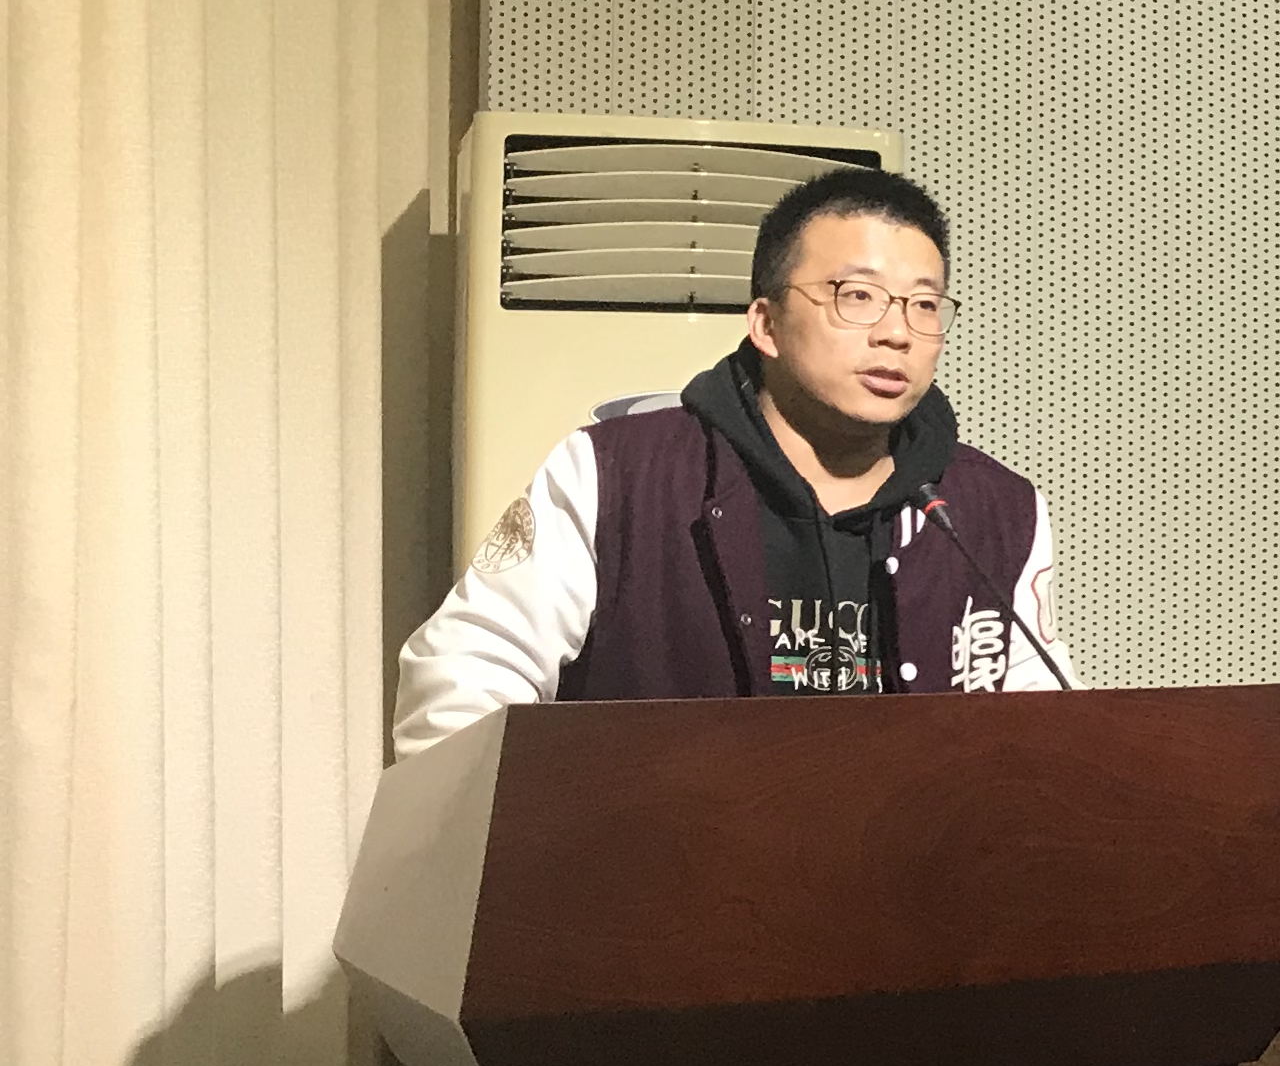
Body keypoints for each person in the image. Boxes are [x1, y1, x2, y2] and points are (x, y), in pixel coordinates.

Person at [393, 166, 1068, 756]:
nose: (897, 333)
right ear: (766, 324)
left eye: (923, 305)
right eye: (856, 296)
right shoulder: (618, 474)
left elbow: (1044, 724)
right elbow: (462, 679)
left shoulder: (994, 510)